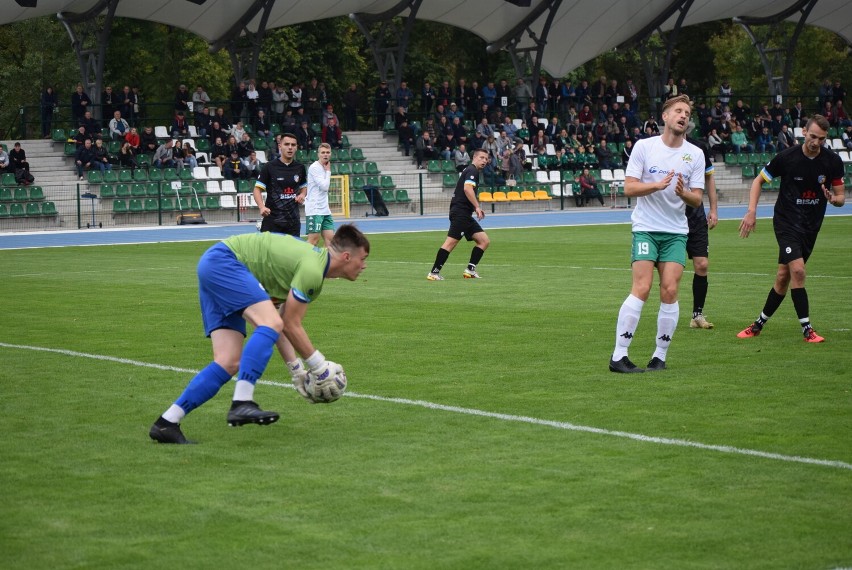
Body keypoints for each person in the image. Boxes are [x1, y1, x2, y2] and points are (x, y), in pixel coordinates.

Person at [148, 225, 370, 444]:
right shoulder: (312, 270)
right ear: (347, 257)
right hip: (225, 262)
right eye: (363, 259)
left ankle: (167, 422)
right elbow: (289, 324)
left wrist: (297, 372)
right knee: (268, 323)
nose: (364, 266)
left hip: (216, 264)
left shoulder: (313, 265)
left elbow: (281, 324)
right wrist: (319, 367)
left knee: (228, 362)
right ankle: (242, 401)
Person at [609, 95, 705, 373]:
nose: (683, 115)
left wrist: (682, 192)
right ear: (665, 117)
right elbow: (628, 188)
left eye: (687, 112)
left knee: (670, 290)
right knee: (642, 288)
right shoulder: (644, 147)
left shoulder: (695, 154)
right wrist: (656, 185)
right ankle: (619, 356)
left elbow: (697, 200)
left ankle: (659, 357)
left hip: (676, 232)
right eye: (678, 110)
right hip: (646, 229)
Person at [736, 115, 845, 343]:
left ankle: (758, 324)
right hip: (786, 222)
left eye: (822, 139)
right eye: (813, 136)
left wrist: (833, 200)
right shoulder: (786, 158)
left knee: (783, 277)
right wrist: (752, 211)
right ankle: (807, 329)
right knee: (798, 271)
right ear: (804, 132)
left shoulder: (832, 161)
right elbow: (758, 181)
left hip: (811, 227)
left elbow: (841, 197)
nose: (816, 142)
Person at [426, 148, 491, 280]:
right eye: (481, 157)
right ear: (474, 157)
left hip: (465, 214)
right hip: (461, 213)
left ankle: (470, 270)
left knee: (484, 241)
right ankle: (434, 272)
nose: (484, 160)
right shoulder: (472, 170)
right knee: (450, 243)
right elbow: (467, 189)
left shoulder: (472, 171)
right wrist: (477, 207)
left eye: (486, 158)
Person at [684, 132, 719, 329]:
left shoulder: (699, 148)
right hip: (671, 218)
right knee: (670, 269)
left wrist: (714, 209)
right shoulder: (659, 146)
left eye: (686, 113)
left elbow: (709, 178)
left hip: (696, 216)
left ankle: (697, 315)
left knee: (702, 265)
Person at [253, 132, 307, 236]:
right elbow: (257, 189)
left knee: (291, 252)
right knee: (268, 252)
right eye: (286, 144)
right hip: (272, 221)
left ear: (296, 148)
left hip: (293, 222)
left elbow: (303, 187)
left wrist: (302, 195)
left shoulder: (300, 168)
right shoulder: (269, 167)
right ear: (280, 146)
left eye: (293, 145)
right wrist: (261, 207)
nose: (290, 147)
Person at [305, 143, 335, 247]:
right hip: (315, 209)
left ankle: (327, 263)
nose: (325, 155)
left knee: (331, 241)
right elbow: (324, 187)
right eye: (323, 152)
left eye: (327, 152)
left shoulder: (325, 167)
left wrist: (327, 171)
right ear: (318, 154)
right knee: (313, 241)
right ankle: (301, 261)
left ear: (330, 154)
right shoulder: (315, 167)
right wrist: (328, 172)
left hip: (325, 209)